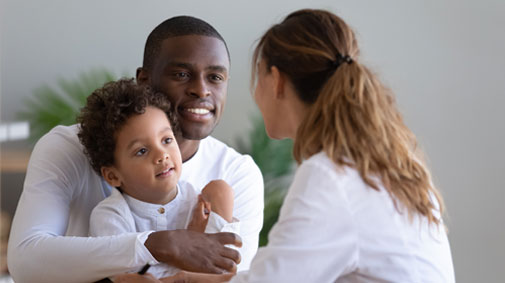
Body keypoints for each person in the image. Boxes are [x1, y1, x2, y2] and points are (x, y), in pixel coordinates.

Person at [7, 16, 263, 283]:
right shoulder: (67, 148)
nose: (201, 90)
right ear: (144, 80)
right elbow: (26, 261)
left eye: (215, 77)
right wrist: (159, 244)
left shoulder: (237, 173)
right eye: (182, 74)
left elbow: (232, 275)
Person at [229, 9, 455, 282]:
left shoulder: (329, 177)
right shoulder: (395, 168)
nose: (255, 93)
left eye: (258, 77)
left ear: (277, 81)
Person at [78, 79, 240, 280]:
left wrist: (205, 231)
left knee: (221, 191)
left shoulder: (197, 201)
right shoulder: (111, 217)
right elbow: (131, 278)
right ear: (113, 175)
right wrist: (191, 240)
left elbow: (225, 270)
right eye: (142, 151)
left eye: (166, 140)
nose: (162, 155)